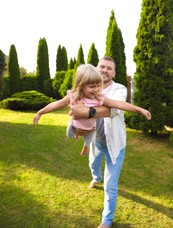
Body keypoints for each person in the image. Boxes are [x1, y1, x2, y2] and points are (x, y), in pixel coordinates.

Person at [69, 57, 151, 228]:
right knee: (93, 165)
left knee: (110, 184)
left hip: (115, 145)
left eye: (109, 68)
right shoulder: (87, 88)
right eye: (102, 67)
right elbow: (74, 106)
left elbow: (110, 110)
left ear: (114, 73)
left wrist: (85, 112)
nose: (105, 70)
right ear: (96, 69)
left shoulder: (119, 89)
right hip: (97, 142)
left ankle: (106, 221)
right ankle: (95, 177)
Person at [33, 63, 151, 159]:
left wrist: (139, 109)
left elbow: (119, 104)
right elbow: (56, 103)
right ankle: (75, 129)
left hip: (90, 130)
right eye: (91, 86)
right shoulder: (73, 96)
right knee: (69, 135)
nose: (96, 89)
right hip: (75, 125)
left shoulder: (99, 97)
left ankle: (86, 146)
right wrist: (40, 112)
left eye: (98, 86)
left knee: (89, 139)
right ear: (81, 85)